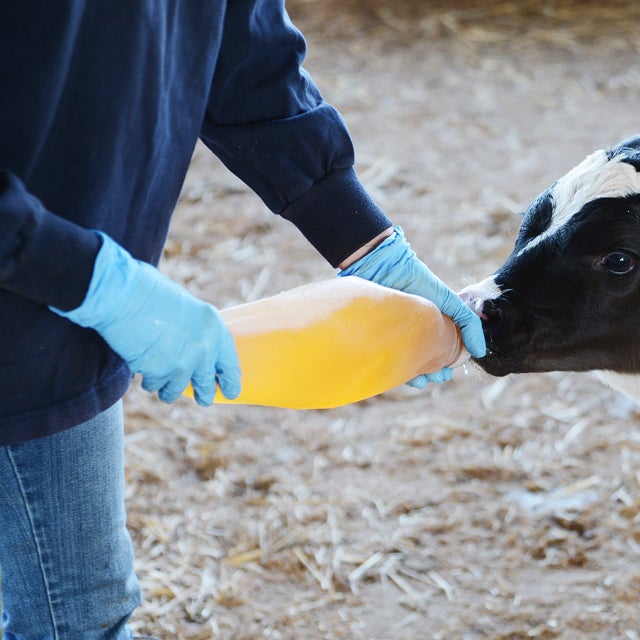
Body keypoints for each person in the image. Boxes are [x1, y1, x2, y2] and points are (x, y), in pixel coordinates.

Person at [0, 2, 485, 638]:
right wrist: (91, 280)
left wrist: (365, 241)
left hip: (59, 312)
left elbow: (248, 59)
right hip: (28, 317)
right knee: (75, 617)